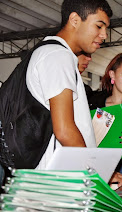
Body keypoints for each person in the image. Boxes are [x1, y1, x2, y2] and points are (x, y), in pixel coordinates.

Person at [26, 0, 111, 169]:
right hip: (58, 183)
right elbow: (64, 130)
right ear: (75, 20)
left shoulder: (53, 53)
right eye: (99, 26)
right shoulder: (57, 55)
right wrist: (95, 171)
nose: (104, 35)